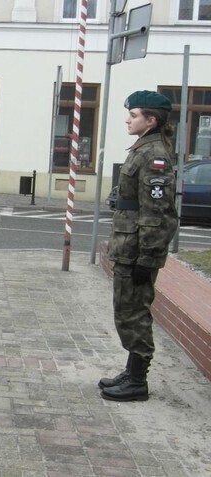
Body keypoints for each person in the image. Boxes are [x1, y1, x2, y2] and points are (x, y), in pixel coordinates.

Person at [99, 90, 179, 402]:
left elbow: (156, 213)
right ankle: (131, 371)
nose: (127, 120)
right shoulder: (143, 148)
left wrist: (147, 258)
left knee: (133, 311)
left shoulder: (154, 155)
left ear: (151, 120)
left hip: (137, 251)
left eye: (133, 115)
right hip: (129, 246)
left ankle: (137, 381)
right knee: (126, 309)